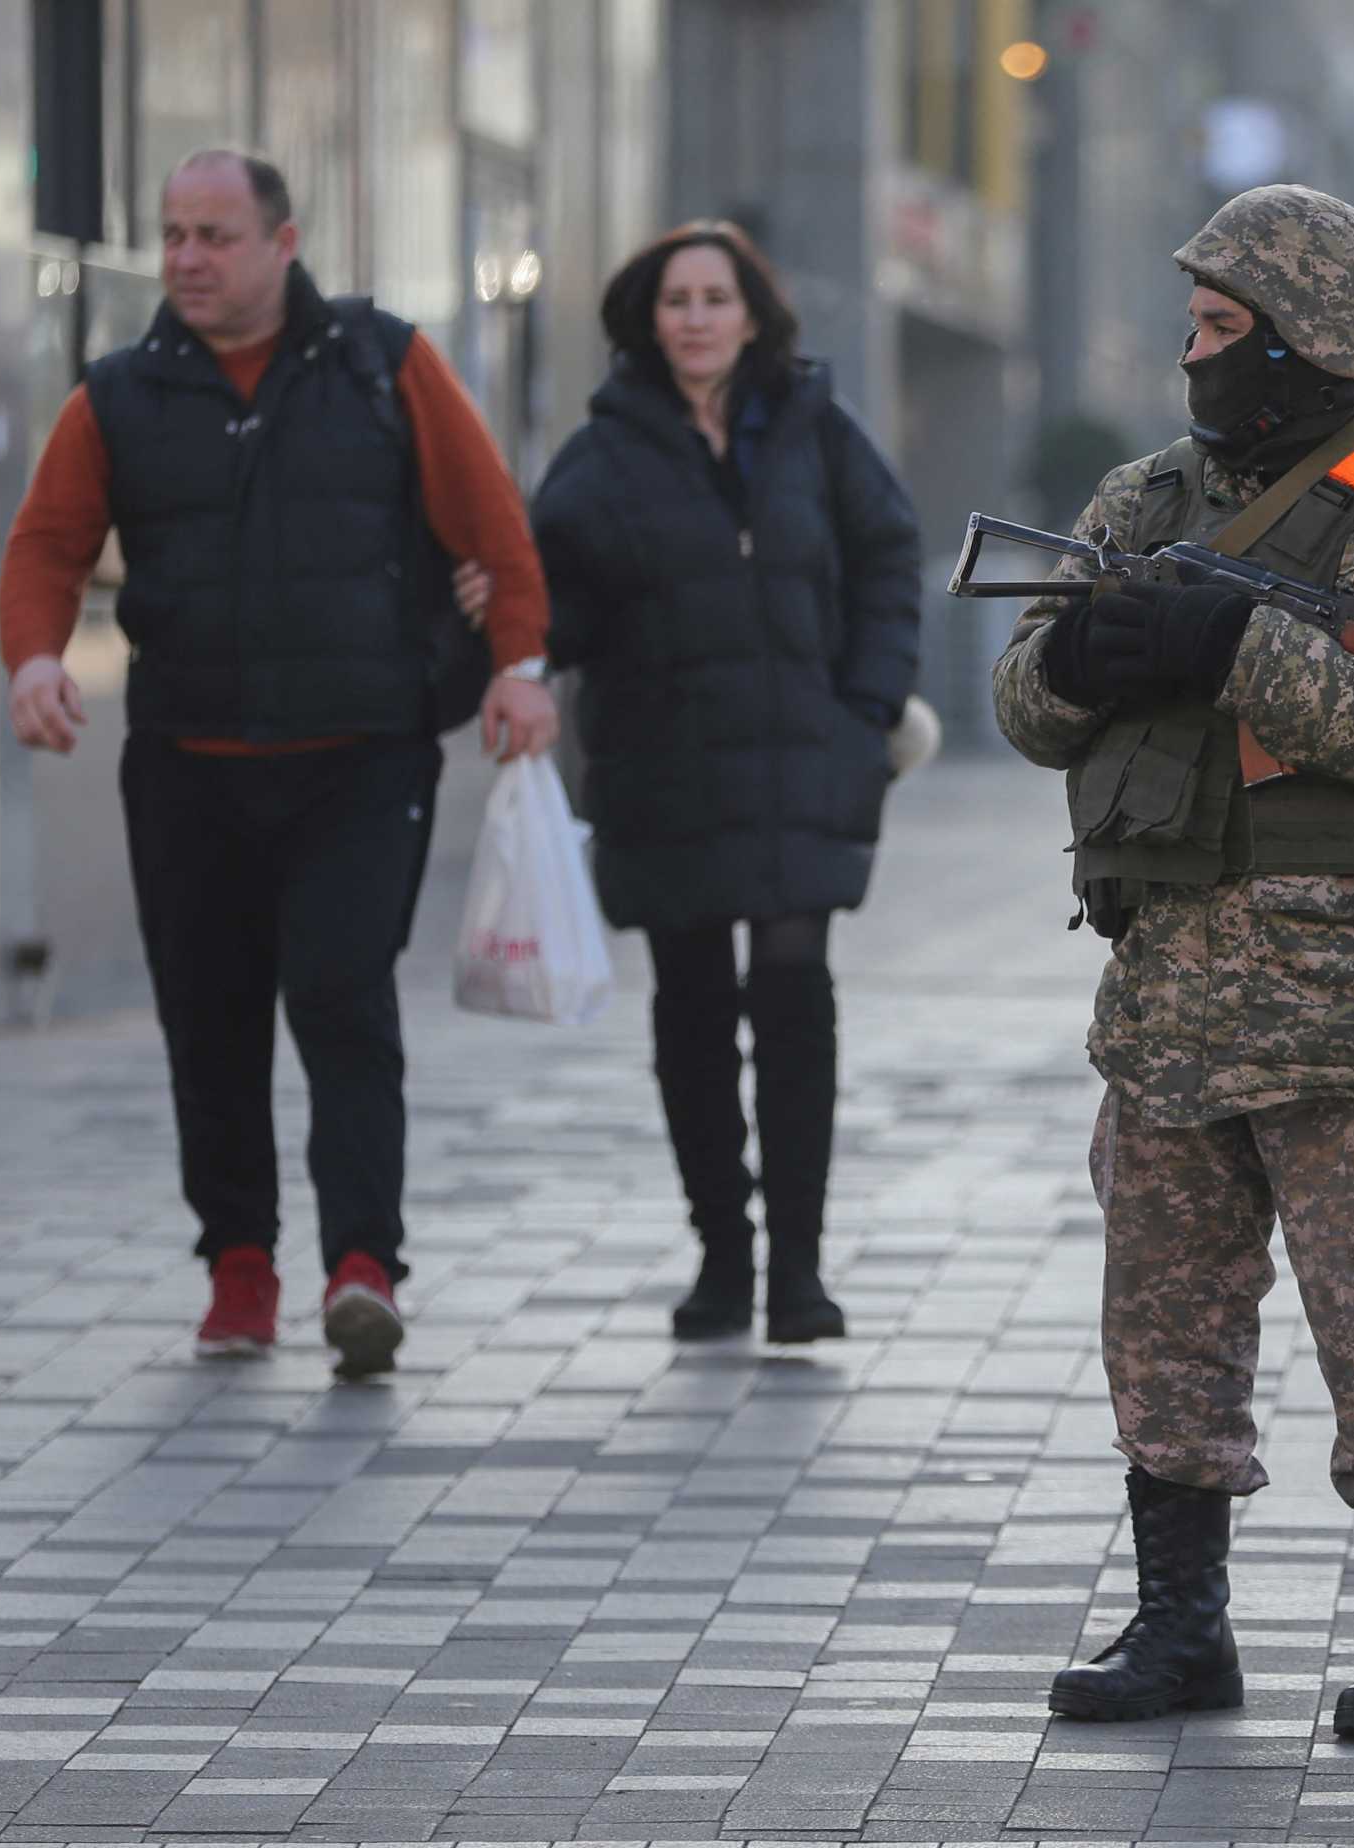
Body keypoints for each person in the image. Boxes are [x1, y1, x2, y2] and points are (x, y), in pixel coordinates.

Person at [993, 184, 1354, 1741]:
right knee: (1164, 1324)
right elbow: (1026, 705)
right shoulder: (1148, 498)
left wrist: (1240, 646)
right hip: (1165, 999)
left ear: (1306, 341)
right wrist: (1084, 655)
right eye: (1197, 326)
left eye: (1221, 331)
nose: (1193, 357)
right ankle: (1181, 1630)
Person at [0, 150, 558, 1378]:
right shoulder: (116, 396)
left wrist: (519, 665)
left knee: (340, 999)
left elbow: (490, 522)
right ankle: (237, 1267)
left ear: (282, 240)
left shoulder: (383, 363)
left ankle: (363, 1266)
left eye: (214, 234)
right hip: (186, 762)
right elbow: (45, 545)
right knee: (208, 1020)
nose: (188, 257)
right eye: (172, 234)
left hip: (361, 760)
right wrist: (36, 659)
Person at [525, 221, 920, 1346]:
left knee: (795, 1006)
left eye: (714, 296)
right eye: (674, 300)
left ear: (754, 313)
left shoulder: (815, 429)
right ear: (646, 322)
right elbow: (555, 602)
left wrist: (869, 709)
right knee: (692, 1012)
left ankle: (798, 1268)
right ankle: (722, 1259)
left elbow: (891, 553)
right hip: (664, 768)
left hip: (805, 759)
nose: (694, 316)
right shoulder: (602, 455)